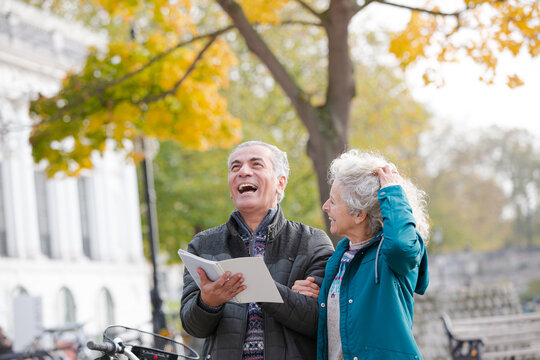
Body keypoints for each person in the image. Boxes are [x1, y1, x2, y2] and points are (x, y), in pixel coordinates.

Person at [180, 141, 334, 360]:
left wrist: (262, 288)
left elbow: (320, 320)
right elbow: (192, 326)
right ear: (231, 189)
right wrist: (207, 303)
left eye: (256, 164)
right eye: (235, 167)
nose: (243, 172)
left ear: (280, 183)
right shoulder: (203, 245)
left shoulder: (311, 241)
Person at [293, 149, 429, 360]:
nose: (325, 207)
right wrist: (317, 296)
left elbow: (401, 247)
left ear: (359, 214)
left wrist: (393, 192)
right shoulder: (339, 258)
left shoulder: (392, 253)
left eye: (333, 201)